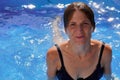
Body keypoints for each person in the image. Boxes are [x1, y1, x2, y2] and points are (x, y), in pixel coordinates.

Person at [46, 2, 114, 80]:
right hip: (61, 52)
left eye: (85, 24)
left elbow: (109, 77)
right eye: (73, 24)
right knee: (58, 40)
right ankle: (55, 25)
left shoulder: (104, 52)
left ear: (93, 27)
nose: (79, 30)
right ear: (65, 29)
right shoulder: (53, 55)